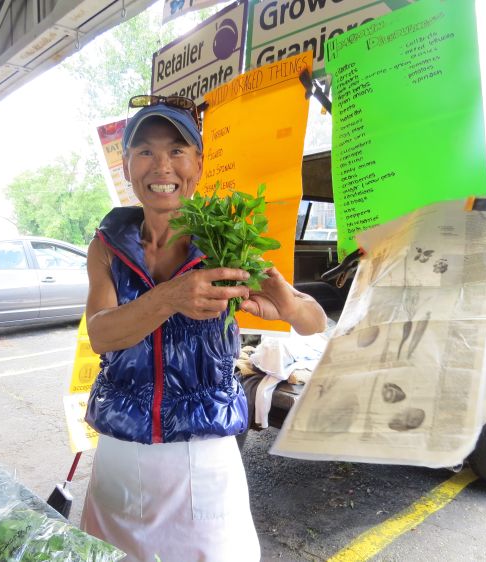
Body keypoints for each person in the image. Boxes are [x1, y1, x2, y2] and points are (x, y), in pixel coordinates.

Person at [80, 95, 327, 561]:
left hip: (203, 457)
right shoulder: (107, 247)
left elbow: (314, 322)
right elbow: (102, 334)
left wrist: (288, 304)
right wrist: (172, 295)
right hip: (119, 457)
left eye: (177, 150)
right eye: (146, 151)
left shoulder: (223, 243)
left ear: (198, 162)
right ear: (128, 165)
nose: (162, 166)